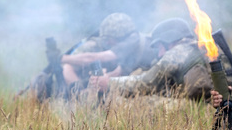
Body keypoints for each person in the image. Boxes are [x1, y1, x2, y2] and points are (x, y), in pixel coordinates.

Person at [91, 18, 232, 99]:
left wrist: (110, 84)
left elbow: (145, 84)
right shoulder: (197, 48)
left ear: (169, 42)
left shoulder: (178, 53)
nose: (159, 54)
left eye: (159, 47)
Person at [28, 13, 156, 100]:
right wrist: (79, 91)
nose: (108, 43)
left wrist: (60, 58)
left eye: (110, 40)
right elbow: (69, 67)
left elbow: (104, 59)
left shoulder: (132, 42)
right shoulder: (95, 45)